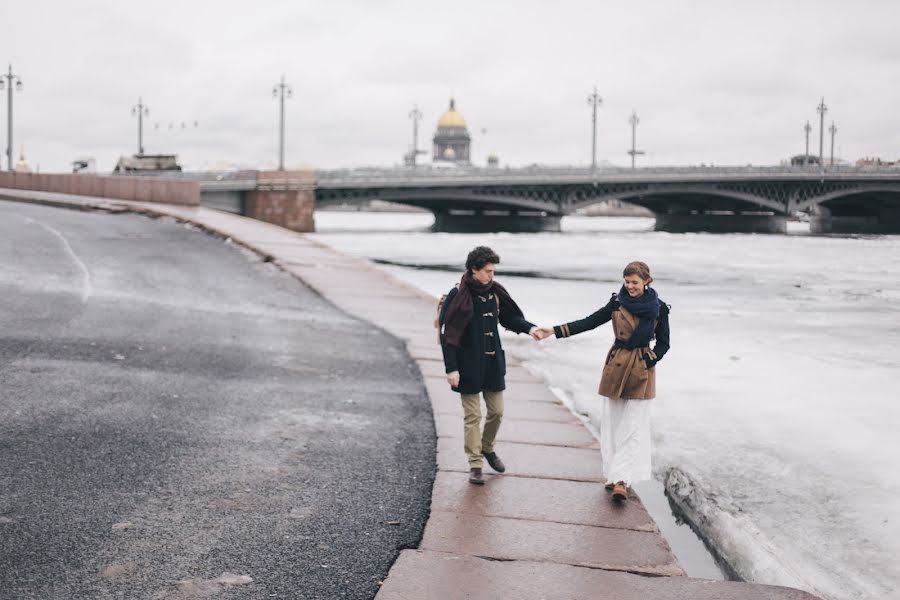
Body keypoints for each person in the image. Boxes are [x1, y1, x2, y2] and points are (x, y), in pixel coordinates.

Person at [534, 261, 670, 502]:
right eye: (627, 282)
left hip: (640, 369)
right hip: (617, 365)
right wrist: (553, 330)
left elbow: (663, 342)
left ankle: (621, 480)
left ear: (647, 281)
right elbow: (590, 321)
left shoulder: (659, 308)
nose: (629, 287)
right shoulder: (617, 302)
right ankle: (613, 474)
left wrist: (651, 358)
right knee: (614, 424)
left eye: (635, 283)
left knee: (633, 426)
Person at [439, 246, 539, 485]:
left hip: (493, 363)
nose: (491, 276)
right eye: (487, 271)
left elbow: (509, 318)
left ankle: (486, 447)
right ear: (474, 270)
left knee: (497, 411)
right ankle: (475, 463)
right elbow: (448, 334)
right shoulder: (458, 294)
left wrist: (531, 328)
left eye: (493, 271)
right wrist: (451, 368)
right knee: (472, 416)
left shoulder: (494, 292)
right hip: (467, 366)